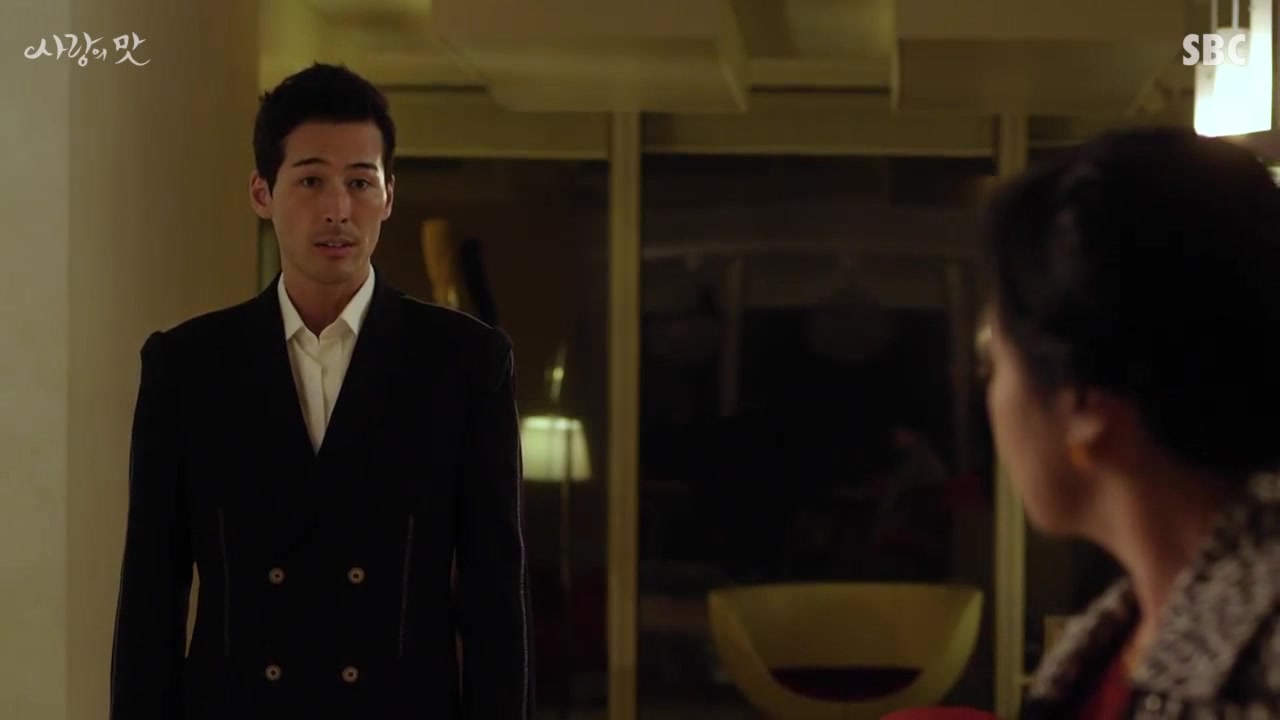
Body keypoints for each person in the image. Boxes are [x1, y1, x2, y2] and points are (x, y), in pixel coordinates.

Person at [109, 63, 533, 719]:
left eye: (360, 182)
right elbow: (151, 596)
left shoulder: (464, 364)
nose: (338, 208)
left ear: (389, 195)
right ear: (262, 192)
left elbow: (494, 600)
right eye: (311, 180)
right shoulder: (189, 366)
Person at [979, 126, 1280, 716]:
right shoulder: (1114, 638)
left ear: (1084, 407)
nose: (990, 398)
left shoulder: (1263, 663)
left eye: (990, 361)